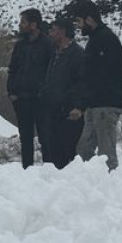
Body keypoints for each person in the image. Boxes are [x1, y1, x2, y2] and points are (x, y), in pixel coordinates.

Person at [69, 0, 122, 171]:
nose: (79, 27)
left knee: (106, 152)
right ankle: (92, 182)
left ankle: (110, 185)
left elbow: (100, 76)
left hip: (106, 104)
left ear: (89, 19)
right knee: (84, 149)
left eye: (79, 22)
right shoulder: (95, 40)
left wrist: (83, 103)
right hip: (94, 105)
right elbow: (90, 77)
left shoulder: (106, 40)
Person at [7, 8, 55, 168]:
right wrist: (12, 92)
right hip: (21, 99)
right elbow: (12, 69)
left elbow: (52, 71)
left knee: (45, 137)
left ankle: (48, 170)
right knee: (25, 138)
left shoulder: (48, 45)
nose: (20, 25)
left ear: (34, 25)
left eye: (24, 22)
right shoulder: (20, 45)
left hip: (40, 100)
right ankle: (27, 170)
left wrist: (45, 93)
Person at [39, 18, 85, 169]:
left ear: (62, 32)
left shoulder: (78, 55)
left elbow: (82, 82)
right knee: (52, 153)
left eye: (53, 30)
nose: (50, 34)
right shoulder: (55, 53)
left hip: (68, 113)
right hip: (51, 110)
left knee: (67, 154)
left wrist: (78, 106)